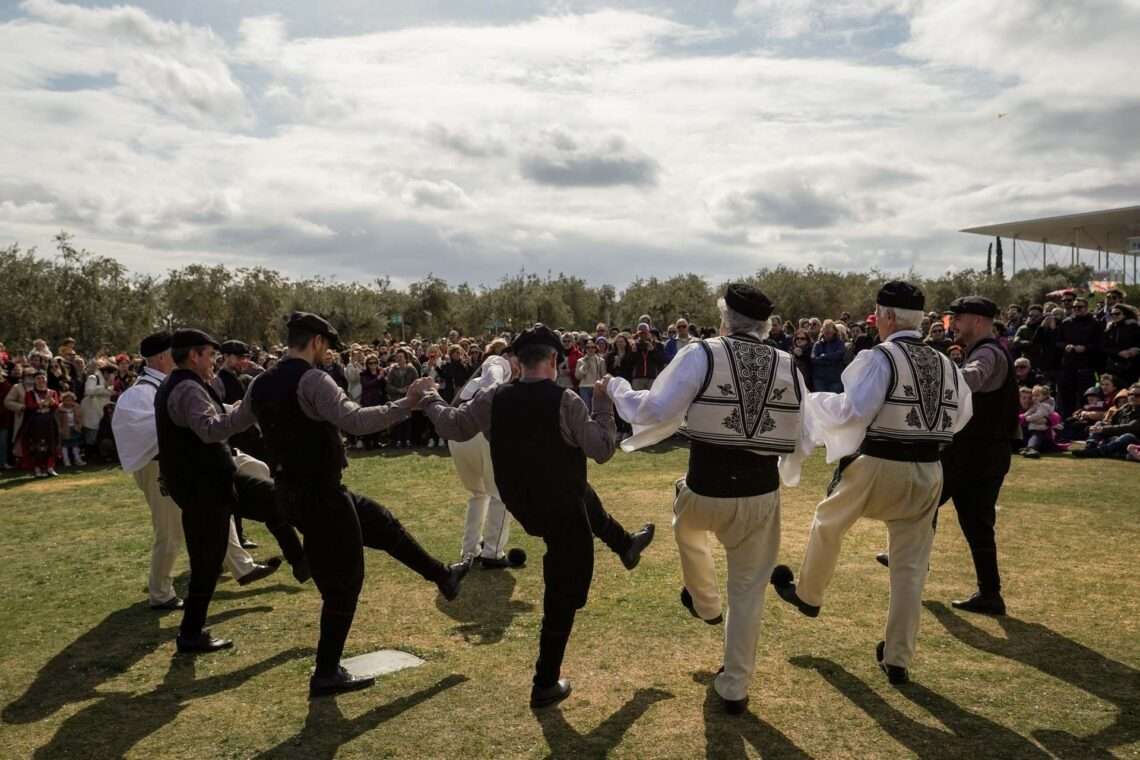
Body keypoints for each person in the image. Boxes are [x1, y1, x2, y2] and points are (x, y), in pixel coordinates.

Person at [421, 325, 655, 709]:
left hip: (523, 500)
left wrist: (430, 398)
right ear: (553, 361)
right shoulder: (566, 401)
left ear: (518, 362)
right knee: (563, 590)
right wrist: (602, 405)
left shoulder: (494, 397)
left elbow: (452, 425)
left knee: (581, 491)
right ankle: (545, 681)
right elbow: (601, 449)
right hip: (558, 508)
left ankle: (624, 544)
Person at [607, 284, 807, 714]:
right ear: (766, 326)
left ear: (725, 319)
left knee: (688, 527)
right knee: (749, 590)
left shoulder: (702, 353)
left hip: (706, 487)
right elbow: (801, 428)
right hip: (759, 493)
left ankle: (705, 602)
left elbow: (656, 412)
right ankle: (734, 684)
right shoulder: (788, 362)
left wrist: (617, 390)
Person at [247, 312, 469, 697]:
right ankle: (327, 671)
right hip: (320, 495)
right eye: (326, 346)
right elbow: (356, 421)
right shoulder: (312, 379)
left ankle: (442, 576)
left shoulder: (259, 383)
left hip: (294, 492)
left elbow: (223, 424)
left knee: (380, 523)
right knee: (344, 585)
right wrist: (409, 402)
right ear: (316, 342)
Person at [770, 282, 972, 686]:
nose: (876, 319)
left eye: (878, 312)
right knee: (910, 568)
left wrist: (812, 401)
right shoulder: (946, 364)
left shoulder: (882, 357)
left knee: (828, 522)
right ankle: (898, 657)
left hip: (880, 462)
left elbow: (853, 411)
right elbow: (963, 413)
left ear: (890, 316)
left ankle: (808, 595)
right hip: (929, 468)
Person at [155, 329, 307, 653]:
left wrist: (229, 410)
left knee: (275, 498)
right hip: (203, 489)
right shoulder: (186, 388)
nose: (214, 362)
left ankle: (302, 561)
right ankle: (191, 634)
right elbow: (209, 430)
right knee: (207, 564)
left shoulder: (183, 385)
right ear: (194, 356)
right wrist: (245, 411)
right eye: (210, 355)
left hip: (217, 480)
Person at [113, 332, 282, 611]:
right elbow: (154, 431)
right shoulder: (139, 394)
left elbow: (199, 412)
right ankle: (160, 592)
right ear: (162, 357)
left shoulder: (173, 385)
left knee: (220, 504)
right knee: (169, 531)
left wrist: (230, 410)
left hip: (190, 463)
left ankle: (242, 566)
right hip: (160, 467)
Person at [934, 296, 1021, 615]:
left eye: (959, 318)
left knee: (924, 502)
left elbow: (970, 379)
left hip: (974, 452)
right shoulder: (986, 350)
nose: (953, 324)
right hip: (984, 452)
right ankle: (990, 594)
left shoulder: (986, 352)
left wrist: (935, 374)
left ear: (979, 322)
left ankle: (910, 560)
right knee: (976, 523)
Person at [448, 354, 514, 567]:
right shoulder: (499, 362)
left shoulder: (479, 377)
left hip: (458, 433)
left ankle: (470, 549)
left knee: (479, 494)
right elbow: (494, 370)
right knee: (501, 493)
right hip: (480, 432)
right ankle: (493, 552)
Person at [212, 340, 266, 548]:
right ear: (226, 357)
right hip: (235, 441)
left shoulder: (241, 377)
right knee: (234, 491)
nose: (243, 361)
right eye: (239, 357)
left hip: (250, 438)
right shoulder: (219, 381)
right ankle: (237, 537)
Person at [1056, 297, 1101, 417]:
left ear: (1086, 308)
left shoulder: (1095, 323)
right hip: (1068, 365)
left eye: (1079, 307)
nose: (1076, 309)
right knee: (1067, 395)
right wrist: (1066, 346)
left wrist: (1086, 348)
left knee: (1085, 395)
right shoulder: (1066, 322)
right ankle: (1068, 421)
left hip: (1086, 365)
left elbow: (1099, 344)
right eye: (1074, 307)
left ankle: (1084, 420)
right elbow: (1058, 341)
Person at [21, 371, 61, 477]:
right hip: (36, 422)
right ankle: (37, 468)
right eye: (38, 378)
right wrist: (42, 403)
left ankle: (50, 467)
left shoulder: (52, 392)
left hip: (49, 421)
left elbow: (56, 405)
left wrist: (51, 401)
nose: (41, 381)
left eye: (43, 378)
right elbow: (29, 406)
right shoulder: (30, 393)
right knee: (36, 445)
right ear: (35, 381)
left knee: (51, 443)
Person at [1019, 385, 1057, 458]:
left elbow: (1055, 417)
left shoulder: (1041, 406)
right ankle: (1028, 448)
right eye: (1024, 398)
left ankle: (1031, 449)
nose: (1027, 400)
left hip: (1040, 436)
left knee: (1037, 434)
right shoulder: (1015, 409)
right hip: (1022, 437)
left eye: (1030, 398)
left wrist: (1046, 420)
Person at [811, 319, 846, 392]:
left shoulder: (839, 343)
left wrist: (824, 356)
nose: (827, 332)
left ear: (834, 331)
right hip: (820, 379)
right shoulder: (818, 344)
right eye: (825, 329)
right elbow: (813, 359)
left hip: (835, 379)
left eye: (829, 329)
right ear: (822, 331)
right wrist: (830, 359)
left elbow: (839, 355)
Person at [56, 391, 85, 467]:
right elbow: (57, 420)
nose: (68, 401)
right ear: (63, 400)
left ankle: (77, 459)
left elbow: (80, 418)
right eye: (66, 400)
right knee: (65, 446)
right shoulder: (59, 409)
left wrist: (79, 426)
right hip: (65, 429)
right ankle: (66, 461)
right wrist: (60, 429)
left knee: (75, 445)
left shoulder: (77, 407)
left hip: (75, 429)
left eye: (70, 400)